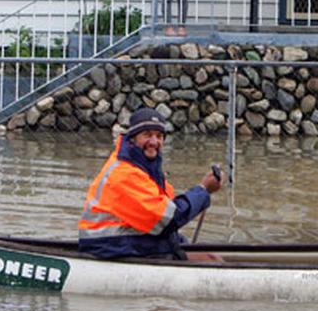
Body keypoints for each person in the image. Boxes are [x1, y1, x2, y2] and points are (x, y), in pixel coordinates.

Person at [78, 107, 222, 259]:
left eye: (159, 136)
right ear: (133, 138)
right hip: (110, 248)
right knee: (211, 260)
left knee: (204, 255)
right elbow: (169, 220)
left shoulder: (145, 168)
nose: (154, 141)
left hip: (126, 244)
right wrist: (203, 190)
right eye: (147, 135)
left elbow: (165, 212)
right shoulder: (126, 173)